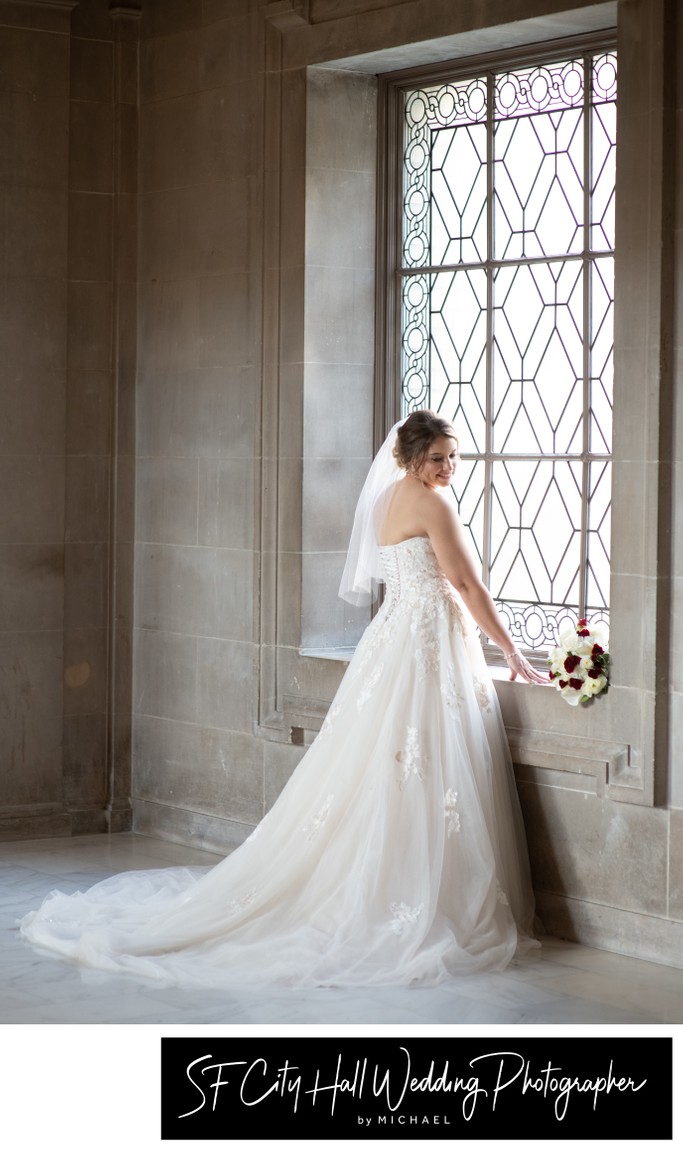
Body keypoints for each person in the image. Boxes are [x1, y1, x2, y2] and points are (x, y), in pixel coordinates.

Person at [20, 410, 544, 988]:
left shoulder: (385, 501)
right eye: (438, 457)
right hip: (424, 648)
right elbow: (466, 585)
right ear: (411, 458)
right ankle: (413, 895)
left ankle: (389, 885)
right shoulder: (435, 504)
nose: (449, 468)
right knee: (417, 769)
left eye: (455, 457)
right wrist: (513, 652)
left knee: (386, 768)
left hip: (393, 642)